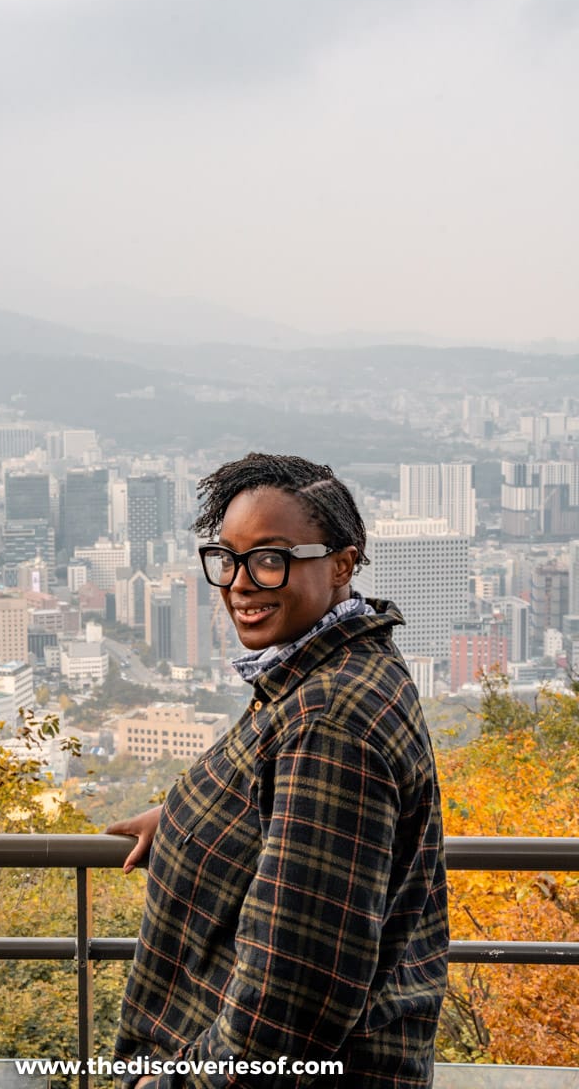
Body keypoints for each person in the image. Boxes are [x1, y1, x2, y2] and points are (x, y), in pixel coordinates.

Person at [108, 453, 449, 1089]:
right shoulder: (338, 664)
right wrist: (187, 816)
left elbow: (290, 997)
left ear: (342, 563)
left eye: (271, 558)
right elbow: (280, 799)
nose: (240, 582)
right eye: (229, 558)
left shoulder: (328, 719)